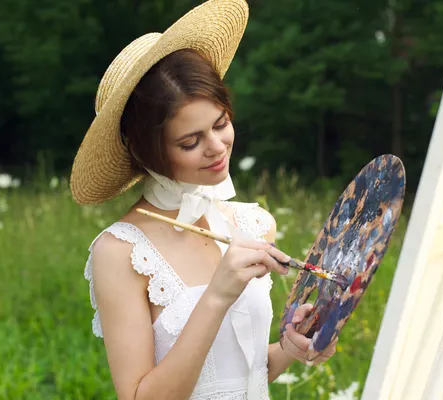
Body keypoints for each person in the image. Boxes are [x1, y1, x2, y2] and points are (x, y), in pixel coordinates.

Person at [69, 0, 337, 399]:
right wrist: (216, 295)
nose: (216, 148)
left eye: (221, 124)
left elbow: (241, 375)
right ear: (146, 152)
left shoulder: (255, 225)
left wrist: (291, 347)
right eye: (190, 141)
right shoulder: (120, 251)